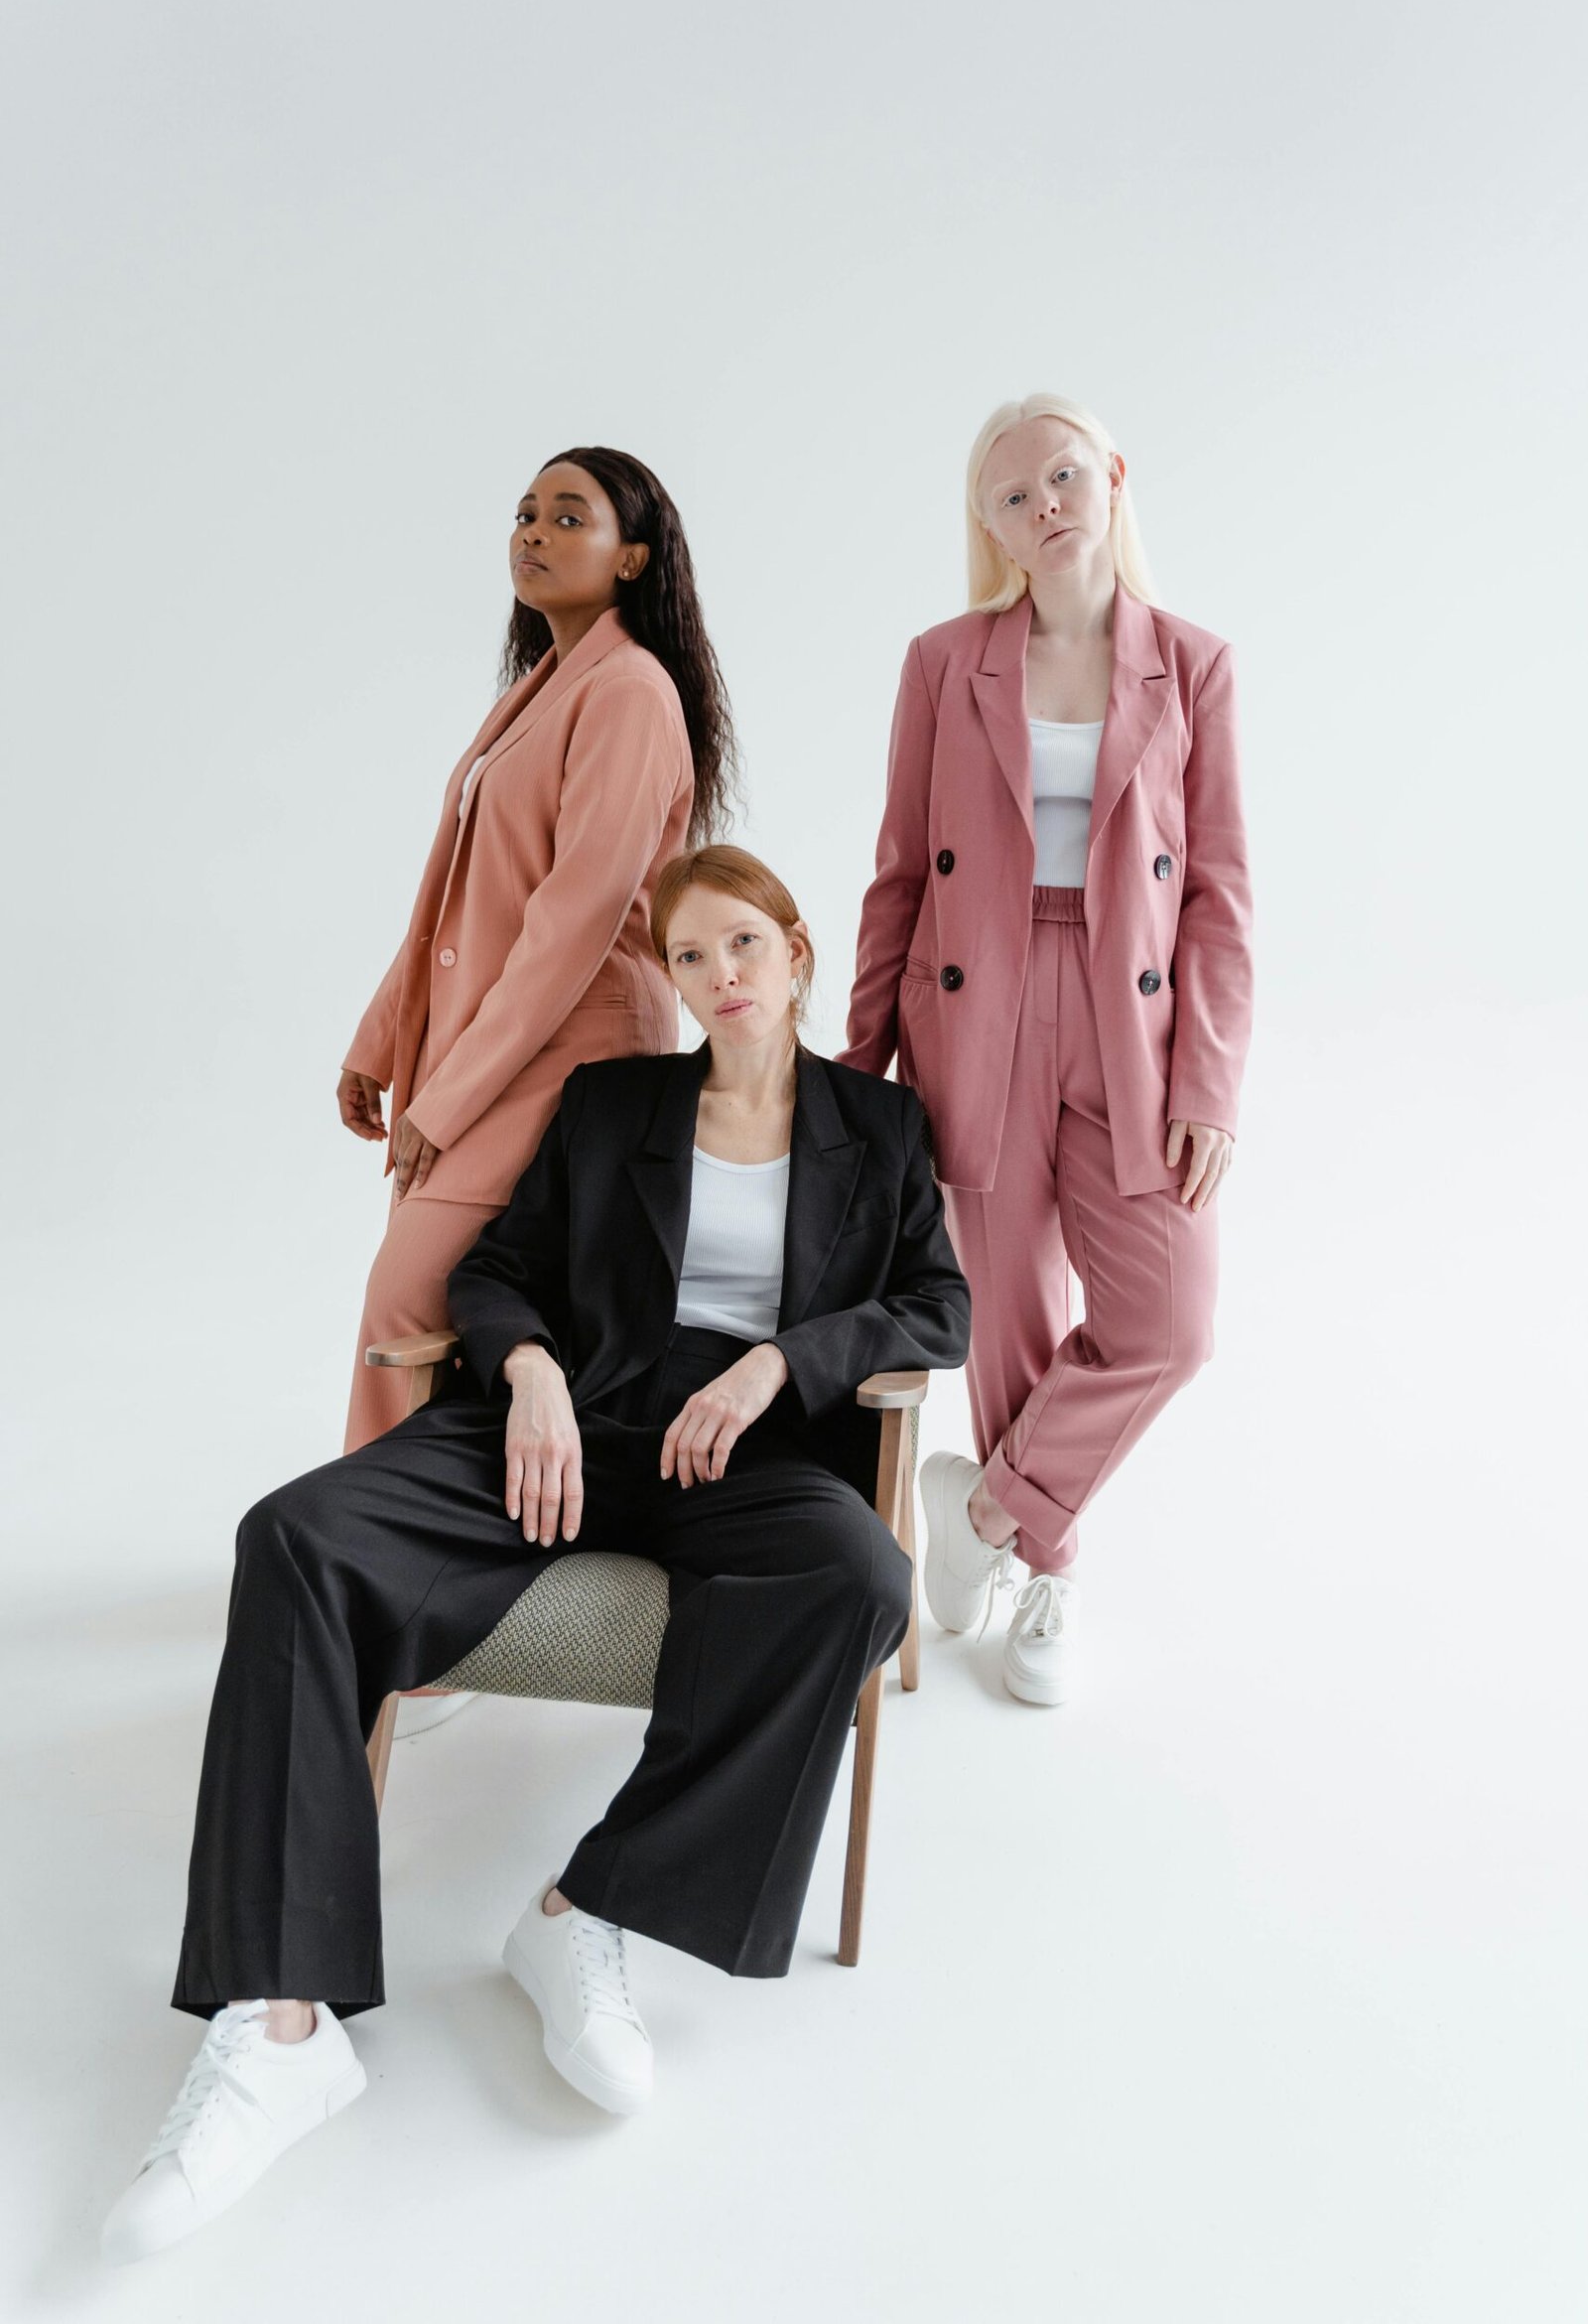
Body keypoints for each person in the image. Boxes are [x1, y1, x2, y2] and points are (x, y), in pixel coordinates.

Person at [103, 845, 970, 2265]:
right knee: (295, 1538)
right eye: (691, 958)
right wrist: (531, 1377)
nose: (720, 979)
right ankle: (278, 2024)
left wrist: (779, 1368)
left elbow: (938, 1307)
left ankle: (586, 1910)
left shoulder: (879, 1130)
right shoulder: (614, 1101)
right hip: (567, 1428)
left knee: (863, 1581)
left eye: (745, 945)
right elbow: (499, 1271)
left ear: (799, 954)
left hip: (746, 1454)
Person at [841, 391, 1254, 1706]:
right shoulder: (942, 661)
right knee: (1013, 1309)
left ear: (1113, 476)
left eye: (1065, 476)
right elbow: (898, 876)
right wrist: (856, 1087)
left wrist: (1212, 1086)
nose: (1047, 507)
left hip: (1129, 1019)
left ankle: (983, 1520)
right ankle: (1050, 1578)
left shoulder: (1191, 663)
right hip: (974, 1003)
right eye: (1015, 496)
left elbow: (1221, 900)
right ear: (994, 527)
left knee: (1168, 1319)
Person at [336, 445, 735, 1456]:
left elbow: (576, 922)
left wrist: (447, 1096)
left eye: (569, 517)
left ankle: (370, 1556)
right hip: (485, 1046)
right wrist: (382, 1043)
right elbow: (451, 902)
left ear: (634, 558)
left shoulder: (631, 691)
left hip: (570, 1055)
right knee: (445, 1317)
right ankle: (414, 1549)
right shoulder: (540, 687)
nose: (534, 532)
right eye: (525, 514)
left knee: (407, 1299)